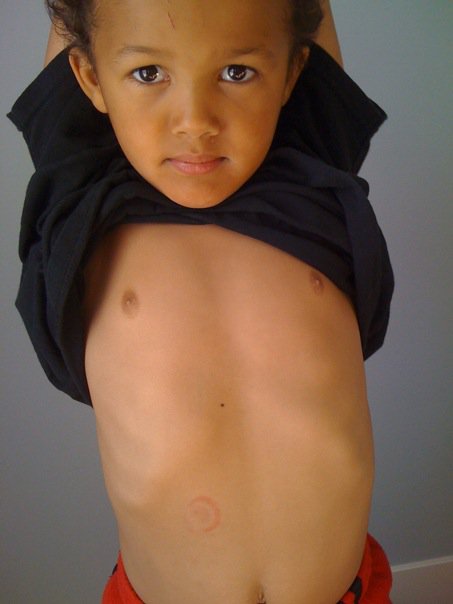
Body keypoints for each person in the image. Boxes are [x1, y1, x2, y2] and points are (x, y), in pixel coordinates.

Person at [8, 0, 394, 602]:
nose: (195, 122)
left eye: (237, 72)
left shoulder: (313, 173)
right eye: (148, 73)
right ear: (90, 79)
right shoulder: (83, 205)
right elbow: (74, 33)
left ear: (292, 73)